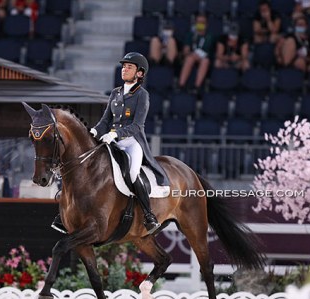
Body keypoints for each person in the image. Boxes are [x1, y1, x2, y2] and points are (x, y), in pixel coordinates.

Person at [52, 52, 169, 235]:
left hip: (130, 142)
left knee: (131, 173)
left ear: (139, 73)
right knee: (84, 165)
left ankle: (148, 215)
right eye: (123, 66)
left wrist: (115, 133)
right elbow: (106, 120)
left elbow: (137, 126)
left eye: (129, 67)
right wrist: (95, 131)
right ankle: (64, 215)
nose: (124, 69)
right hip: (110, 140)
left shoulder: (142, 95)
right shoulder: (115, 92)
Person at [178, 13, 214, 91]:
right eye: (198, 22)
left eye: (202, 22)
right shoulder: (190, 35)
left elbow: (210, 52)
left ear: (206, 24)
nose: (200, 24)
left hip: (204, 58)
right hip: (192, 56)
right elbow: (186, 50)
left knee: (205, 61)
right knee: (189, 59)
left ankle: (197, 87)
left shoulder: (210, 36)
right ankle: (181, 85)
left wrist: (201, 56)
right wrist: (192, 54)